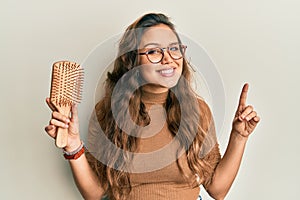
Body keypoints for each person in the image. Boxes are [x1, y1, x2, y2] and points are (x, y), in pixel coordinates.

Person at [45, 13, 260, 200]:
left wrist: (239, 137)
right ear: (132, 61)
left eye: (174, 49)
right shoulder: (108, 114)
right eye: (154, 51)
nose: (169, 59)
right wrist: (72, 146)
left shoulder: (197, 110)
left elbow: (217, 189)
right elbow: (94, 193)